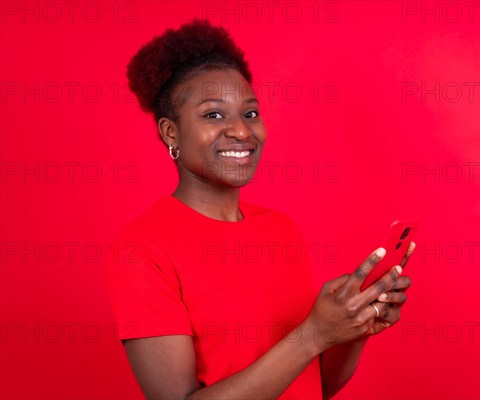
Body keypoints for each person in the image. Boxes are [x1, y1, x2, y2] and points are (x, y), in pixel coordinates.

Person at [106, 18, 414, 400]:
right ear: (171, 133)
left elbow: (314, 384)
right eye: (213, 114)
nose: (241, 131)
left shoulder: (280, 230)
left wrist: (351, 330)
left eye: (250, 113)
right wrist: (315, 333)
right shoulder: (143, 248)